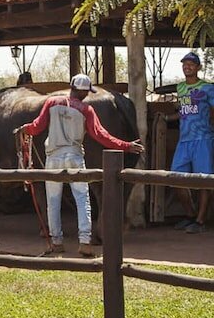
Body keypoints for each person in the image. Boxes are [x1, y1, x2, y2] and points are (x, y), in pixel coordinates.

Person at [18, 74, 144, 257]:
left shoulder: (52, 103)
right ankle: (85, 241)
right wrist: (126, 146)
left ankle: (56, 241)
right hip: (75, 156)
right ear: (85, 92)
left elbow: (37, 127)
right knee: (82, 200)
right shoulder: (87, 110)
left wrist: (25, 129)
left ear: (71, 87)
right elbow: (101, 136)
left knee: (53, 202)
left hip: (53, 158)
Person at [166, 51, 214, 234]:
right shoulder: (181, 88)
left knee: (204, 180)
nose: (187, 66)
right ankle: (191, 215)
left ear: (198, 67)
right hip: (184, 140)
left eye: (191, 64)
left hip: (203, 139)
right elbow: (185, 112)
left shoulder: (208, 88)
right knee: (175, 178)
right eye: (185, 64)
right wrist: (167, 118)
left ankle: (200, 221)